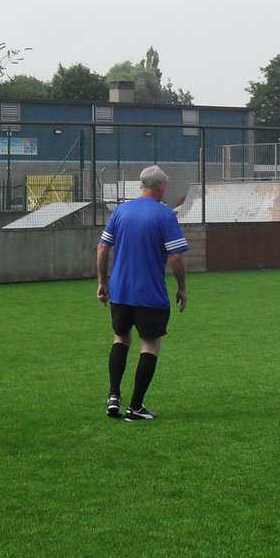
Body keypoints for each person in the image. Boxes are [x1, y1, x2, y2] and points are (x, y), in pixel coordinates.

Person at [96, 165, 189, 422]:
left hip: (121, 291)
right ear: (161, 186)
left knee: (120, 339)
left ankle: (113, 397)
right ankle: (135, 406)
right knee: (149, 344)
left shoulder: (121, 211)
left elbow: (103, 247)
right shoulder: (164, 214)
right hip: (150, 294)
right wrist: (181, 286)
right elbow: (176, 256)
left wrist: (103, 282)